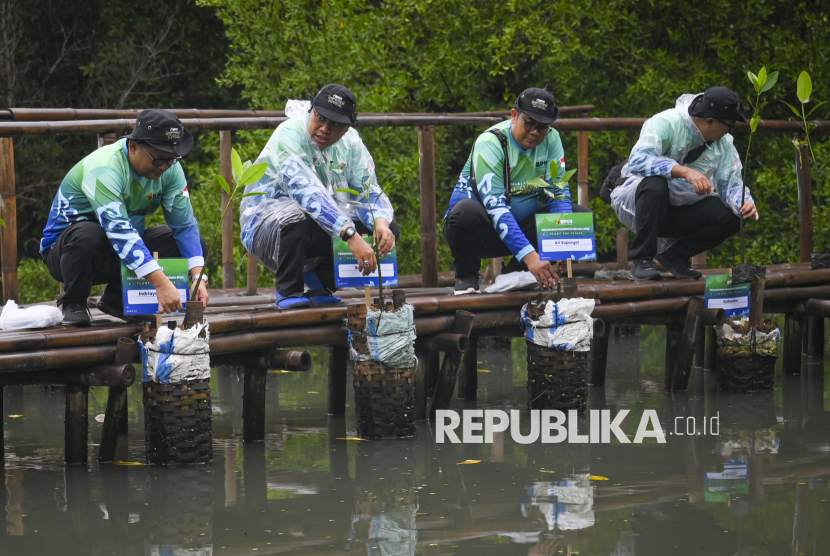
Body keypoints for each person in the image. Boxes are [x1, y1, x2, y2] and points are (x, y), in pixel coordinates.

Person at [40, 109, 210, 326]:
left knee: (190, 245)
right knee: (89, 233)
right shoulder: (103, 168)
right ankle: (74, 301)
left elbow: (184, 226)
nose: (165, 167)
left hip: (119, 251)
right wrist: (161, 283)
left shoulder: (170, 169)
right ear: (133, 147)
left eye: (171, 159)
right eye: (159, 159)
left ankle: (119, 299)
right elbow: (119, 231)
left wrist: (198, 278)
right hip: (69, 254)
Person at [239, 84, 398, 309]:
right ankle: (288, 290)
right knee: (298, 215)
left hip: (319, 224)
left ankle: (320, 285)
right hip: (267, 228)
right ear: (311, 110)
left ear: (347, 127)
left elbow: (367, 189)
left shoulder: (351, 142)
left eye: (335, 124)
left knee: (387, 228)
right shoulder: (290, 133)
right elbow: (306, 192)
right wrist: (351, 235)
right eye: (320, 118)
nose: (324, 128)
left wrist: (381, 223)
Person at [443, 86, 593, 294]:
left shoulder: (552, 139)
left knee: (580, 217)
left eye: (542, 127)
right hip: (481, 232)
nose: (535, 132)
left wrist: (561, 242)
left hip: (523, 228)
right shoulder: (490, 142)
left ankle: (516, 272)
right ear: (514, 116)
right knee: (465, 211)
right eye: (529, 123)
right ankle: (467, 277)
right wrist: (532, 257)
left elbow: (558, 192)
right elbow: (495, 208)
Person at [610, 86, 759, 281]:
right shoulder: (666, 122)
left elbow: (729, 183)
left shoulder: (724, 144)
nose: (730, 130)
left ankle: (675, 255)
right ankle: (642, 260)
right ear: (710, 121)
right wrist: (685, 171)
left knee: (731, 214)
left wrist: (744, 201)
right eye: (729, 124)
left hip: (680, 210)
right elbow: (638, 160)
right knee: (655, 184)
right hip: (640, 205)